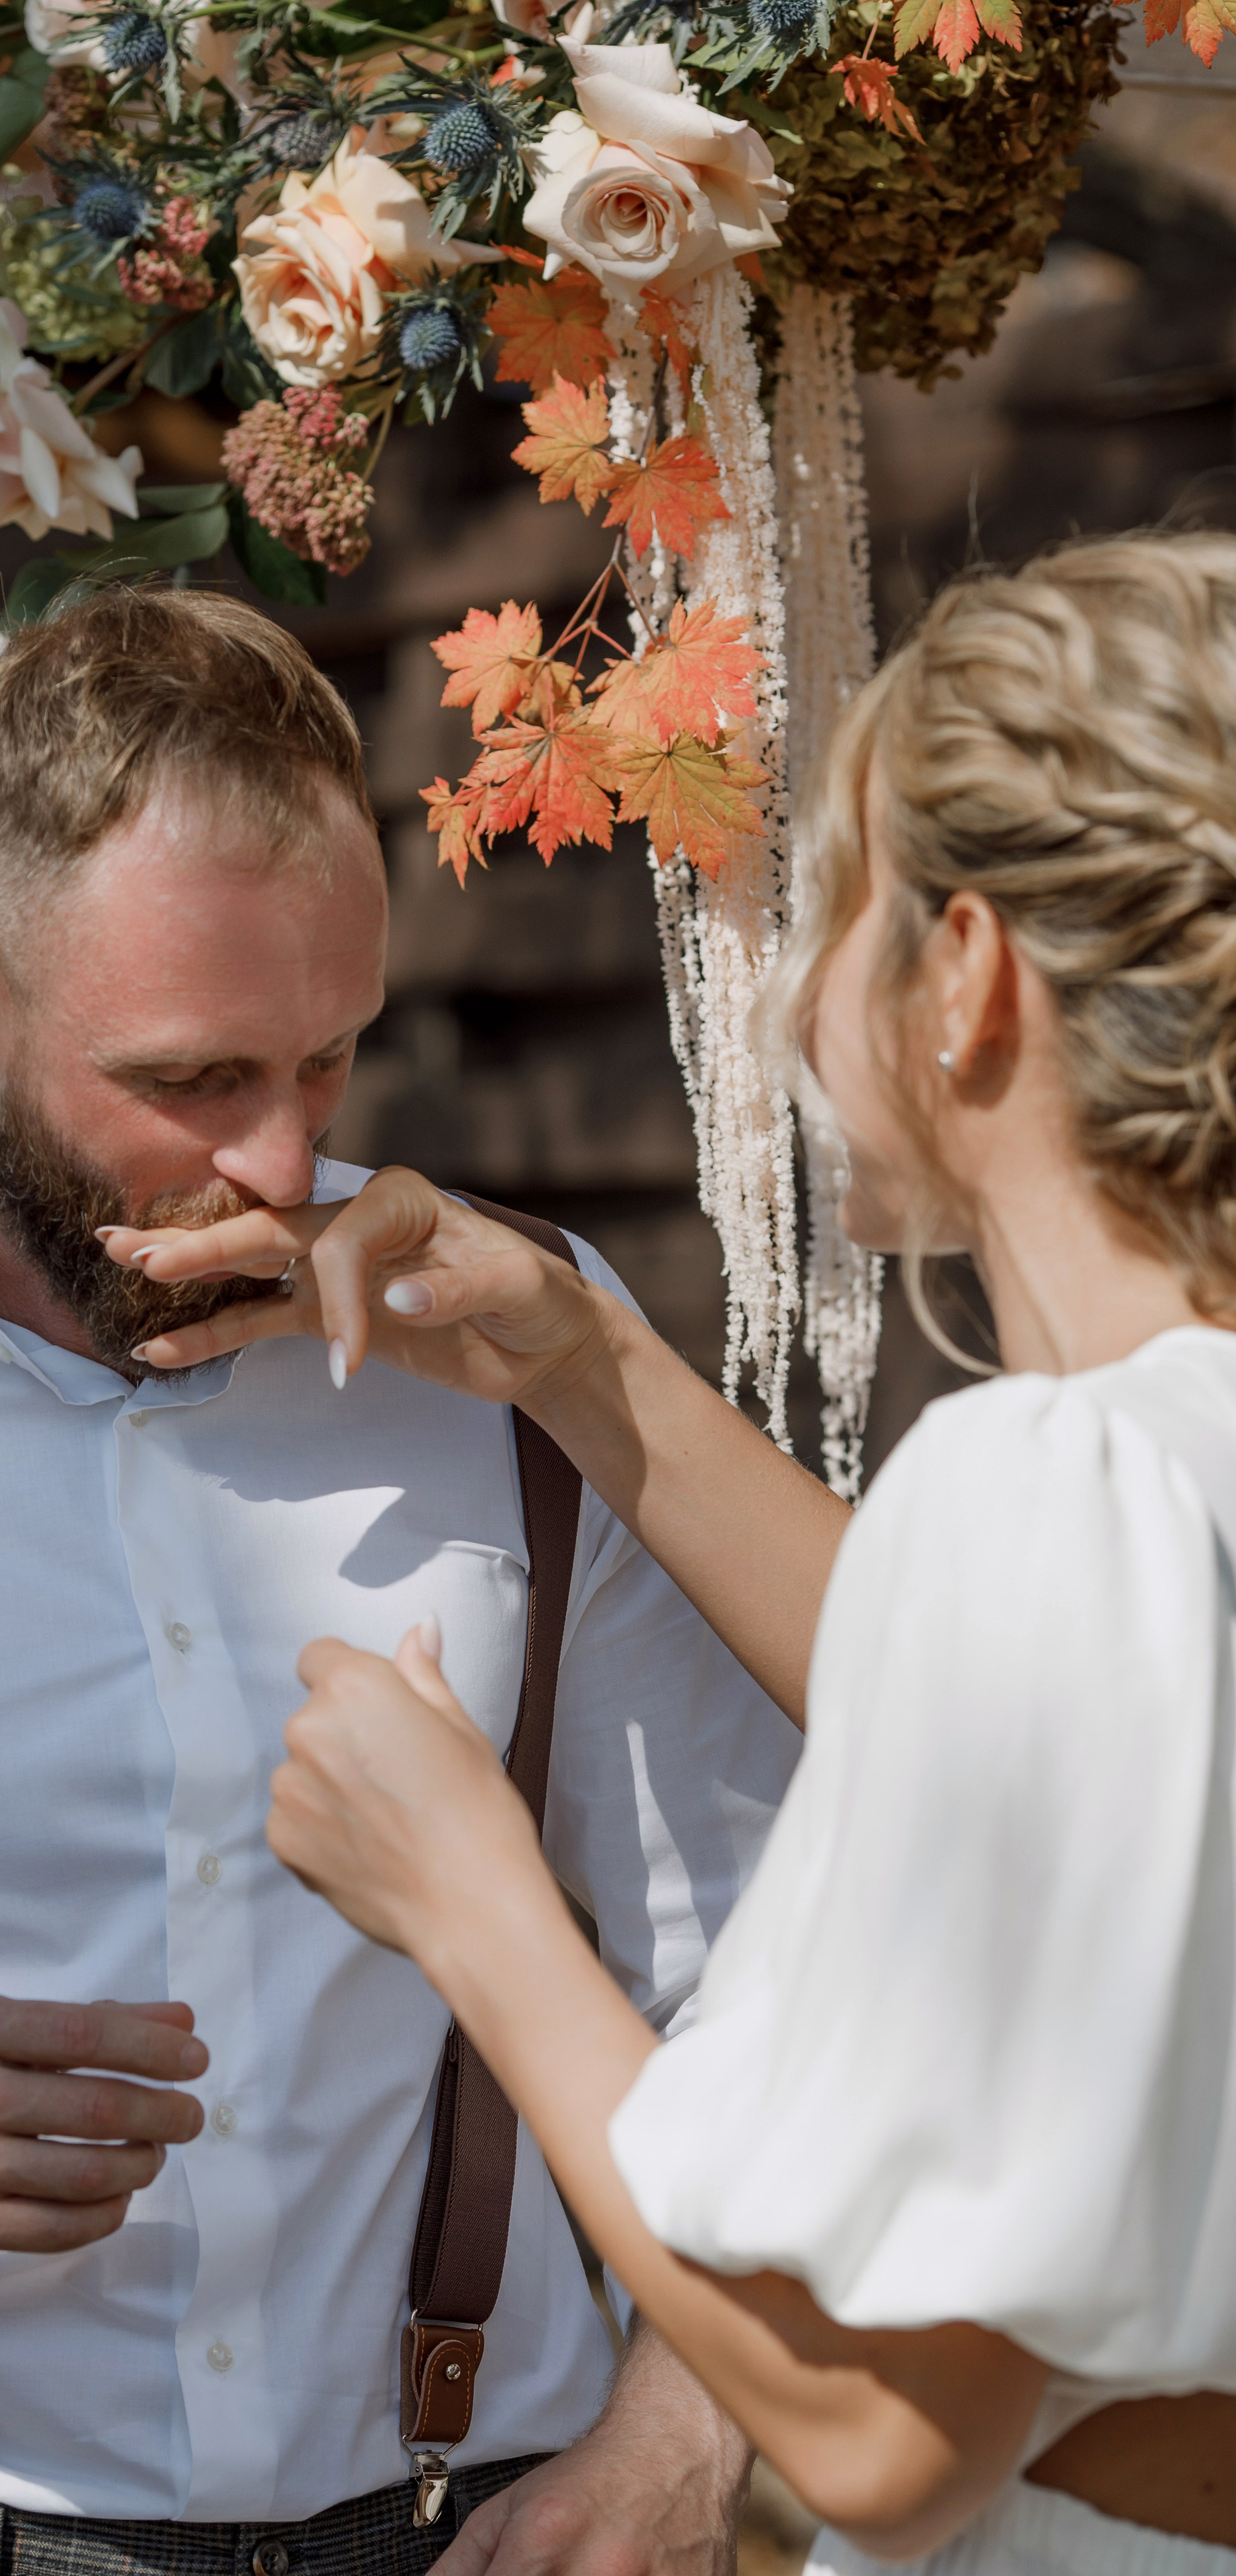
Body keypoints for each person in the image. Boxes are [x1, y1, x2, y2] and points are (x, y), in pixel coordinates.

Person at [0, 587, 802, 2576]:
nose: (290, 1166)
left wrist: (680, 2432)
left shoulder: (529, 1342)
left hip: (493, 2522)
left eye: (332, 1059)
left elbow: (776, 1959)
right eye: (197, 1080)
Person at [101, 532, 1236, 2575]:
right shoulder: (1168, 1490)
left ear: (968, 978)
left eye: (832, 915)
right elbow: (1030, 1723)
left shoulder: (1046, 1488)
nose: (797, 994)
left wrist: (472, 1902)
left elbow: (882, 2428)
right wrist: (578, 1354)